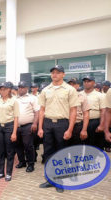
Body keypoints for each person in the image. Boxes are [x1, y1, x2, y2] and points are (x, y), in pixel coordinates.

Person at [38, 65, 79, 193]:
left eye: (57, 72)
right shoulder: (45, 90)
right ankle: (50, 179)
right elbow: (42, 110)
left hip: (62, 124)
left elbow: (73, 111)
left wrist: (70, 129)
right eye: (53, 72)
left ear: (63, 74)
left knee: (61, 153)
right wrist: (40, 127)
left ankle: (60, 182)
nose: (54, 74)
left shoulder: (70, 90)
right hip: (48, 123)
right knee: (48, 153)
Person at [0, 82, 19, 182]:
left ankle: (8, 173)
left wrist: (14, 132)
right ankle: (0, 172)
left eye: (4, 89)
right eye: (1, 89)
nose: (2, 91)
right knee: (0, 151)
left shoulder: (14, 101)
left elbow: (16, 117)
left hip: (9, 127)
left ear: (9, 90)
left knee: (9, 151)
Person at [16, 81, 39, 172]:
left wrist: (35, 124)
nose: (20, 89)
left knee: (28, 146)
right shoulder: (15, 99)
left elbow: (37, 112)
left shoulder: (32, 98)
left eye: (22, 87)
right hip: (16, 126)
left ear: (27, 88)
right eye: (19, 87)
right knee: (18, 145)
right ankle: (22, 162)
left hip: (28, 125)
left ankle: (30, 164)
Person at [81, 76, 106, 150]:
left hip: (94, 123)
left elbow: (103, 111)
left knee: (96, 146)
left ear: (93, 83)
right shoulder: (79, 94)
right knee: (82, 147)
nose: (86, 83)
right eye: (85, 81)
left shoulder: (100, 95)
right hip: (81, 123)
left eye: (89, 81)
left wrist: (101, 125)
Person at [67, 78, 90, 145]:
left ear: (77, 85)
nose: (71, 86)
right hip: (64, 125)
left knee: (77, 150)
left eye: (73, 84)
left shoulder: (82, 96)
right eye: (69, 84)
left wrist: (84, 130)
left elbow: (86, 114)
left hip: (77, 125)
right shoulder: (62, 96)